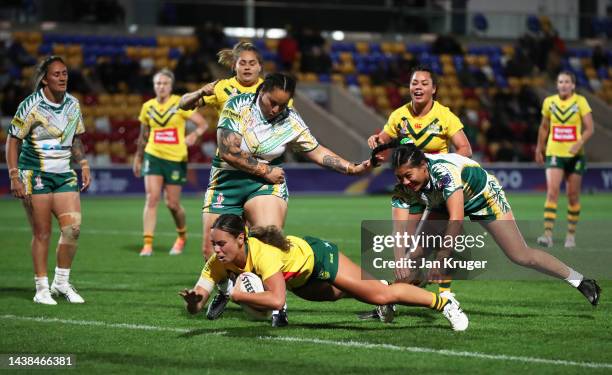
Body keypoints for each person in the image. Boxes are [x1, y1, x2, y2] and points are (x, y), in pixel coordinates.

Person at [193, 72, 371, 321]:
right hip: (226, 182)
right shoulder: (239, 105)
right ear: (262, 91)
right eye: (271, 102)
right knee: (212, 249)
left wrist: (351, 168)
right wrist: (266, 169)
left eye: (282, 104)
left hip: (264, 185)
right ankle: (228, 290)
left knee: (267, 237)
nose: (276, 109)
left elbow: (317, 151)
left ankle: (277, 303)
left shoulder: (290, 120)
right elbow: (227, 150)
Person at [387, 142, 600, 307]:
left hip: (483, 196)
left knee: (520, 255)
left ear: (424, 166)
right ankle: (387, 304)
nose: (405, 182)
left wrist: (442, 257)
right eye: (399, 177)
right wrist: (400, 260)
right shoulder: (404, 186)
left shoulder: (443, 172)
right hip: (441, 200)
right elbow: (399, 228)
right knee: (412, 256)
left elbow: (457, 218)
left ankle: (580, 281)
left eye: (408, 175)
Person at [179, 214, 469, 330]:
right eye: (213, 244)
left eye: (221, 243)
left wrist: (238, 295)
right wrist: (195, 302)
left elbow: (277, 301)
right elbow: (201, 294)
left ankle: (445, 304)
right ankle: (380, 283)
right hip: (300, 280)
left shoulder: (263, 254)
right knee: (347, 293)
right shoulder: (218, 262)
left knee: (380, 295)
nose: (215, 250)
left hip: (319, 259)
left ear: (241, 239)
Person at [362, 66, 472, 319]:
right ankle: (391, 299)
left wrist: (434, 163)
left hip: (436, 188)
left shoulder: (445, 116)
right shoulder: (399, 115)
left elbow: (465, 149)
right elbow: (384, 139)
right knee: (403, 245)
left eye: (424, 83)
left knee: (430, 245)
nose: (418, 87)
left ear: (434, 88)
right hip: (408, 188)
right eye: (414, 83)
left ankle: (444, 293)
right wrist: (376, 140)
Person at [6, 55, 90, 305]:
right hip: (35, 174)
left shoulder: (73, 105)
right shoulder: (31, 105)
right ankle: (41, 287)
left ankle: (61, 283)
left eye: (65, 73)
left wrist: (83, 163)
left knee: (72, 229)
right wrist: (14, 176)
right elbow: (13, 140)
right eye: (57, 74)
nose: (63, 77)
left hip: (64, 174)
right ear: (44, 79)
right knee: (42, 233)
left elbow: (75, 138)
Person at [133, 68, 208, 256]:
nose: (161, 87)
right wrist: (138, 157)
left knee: (172, 204)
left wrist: (194, 135)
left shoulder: (180, 103)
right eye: (158, 83)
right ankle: (147, 244)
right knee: (151, 198)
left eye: (165, 83)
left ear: (171, 86)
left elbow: (203, 124)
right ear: (154, 86)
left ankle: (181, 236)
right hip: (153, 155)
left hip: (176, 158)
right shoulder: (147, 106)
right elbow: (143, 135)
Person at [535, 71, 594, 249]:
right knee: (552, 192)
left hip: (576, 156)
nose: (563, 85)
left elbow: (589, 128)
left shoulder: (580, 102)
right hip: (554, 153)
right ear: (557, 84)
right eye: (560, 81)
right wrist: (540, 147)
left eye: (567, 82)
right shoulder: (549, 102)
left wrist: (579, 143)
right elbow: (544, 127)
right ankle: (547, 235)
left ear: (573, 85)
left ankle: (570, 235)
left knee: (573, 196)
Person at [178, 41, 265, 114]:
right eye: (242, 63)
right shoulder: (222, 87)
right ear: (234, 66)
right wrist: (200, 93)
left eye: (252, 63)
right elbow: (183, 104)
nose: (247, 67)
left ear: (260, 66)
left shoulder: (267, 88)